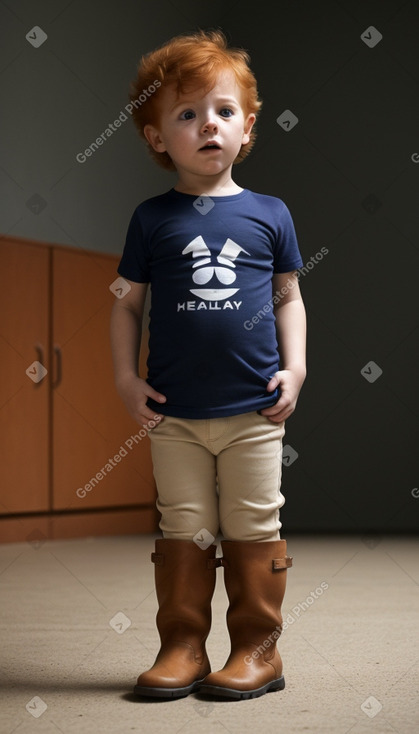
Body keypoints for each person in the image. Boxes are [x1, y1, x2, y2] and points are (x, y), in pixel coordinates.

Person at [110, 28, 306, 701]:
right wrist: (126, 377)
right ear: (157, 137)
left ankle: (258, 651)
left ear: (247, 128)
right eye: (186, 114)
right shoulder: (150, 220)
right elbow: (125, 306)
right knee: (182, 526)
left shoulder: (270, 214)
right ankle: (182, 646)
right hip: (172, 412)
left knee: (255, 522)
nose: (207, 126)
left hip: (254, 407)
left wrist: (296, 367)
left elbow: (288, 298)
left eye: (222, 111)